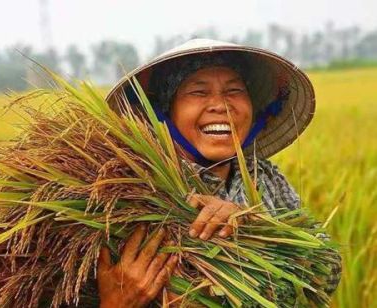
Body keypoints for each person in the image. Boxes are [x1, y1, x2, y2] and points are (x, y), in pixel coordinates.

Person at [97, 39, 342, 307]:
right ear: (165, 113)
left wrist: (254, 225)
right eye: (198, 92)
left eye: (234, 90)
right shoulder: (135, 192)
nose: (220, 105)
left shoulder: (265, 178)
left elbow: (327, 271)